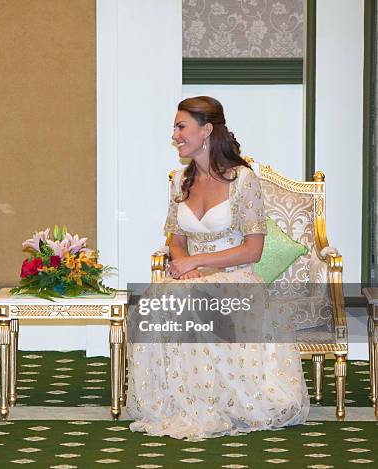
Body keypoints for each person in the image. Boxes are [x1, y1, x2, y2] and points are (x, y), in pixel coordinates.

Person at [126, 96, 309, 439]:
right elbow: (175, 239)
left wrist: (197, 261)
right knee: (160, 301)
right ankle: (181, 401)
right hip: (193, 278)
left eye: (181, 127)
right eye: (175, 128)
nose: (175, 135)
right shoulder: (181, 180)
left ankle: (225, 402)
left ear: (207, 129)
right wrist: (183, 262)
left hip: (235, 278)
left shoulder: (243, 180)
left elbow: (253, 250)